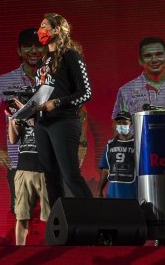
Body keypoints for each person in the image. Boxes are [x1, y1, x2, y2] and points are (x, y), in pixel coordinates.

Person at [32, 14, 93, 208]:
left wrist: (57, 103)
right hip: (42, 124)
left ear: (57, 29)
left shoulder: (71, 55)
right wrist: (27, 110)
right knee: (51, 178)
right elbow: (40, 93)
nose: (40, 31)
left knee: (70, 175)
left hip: (63, 122)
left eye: (44, 26)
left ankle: (94, 217)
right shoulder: (42, 61)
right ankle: (59, 219)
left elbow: (86, 93)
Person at [0, 29, 46, 216]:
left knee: (55, 213)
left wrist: (81, 144)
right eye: (27, 46)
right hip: (19, 161)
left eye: (38, 46)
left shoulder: (58, 79)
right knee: (22, 215)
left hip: (52, 159)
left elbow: (79, 111)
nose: (33, 51)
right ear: (19, 50)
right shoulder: (3, 81)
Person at [7, 108, 48, 246]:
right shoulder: (22, 117)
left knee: (50, 215)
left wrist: (25, 112)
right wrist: (12, 118)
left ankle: (53, 249)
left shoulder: (46, 112)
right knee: (21, 214)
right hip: (23, 169)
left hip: (44, 171)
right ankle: (20, 250)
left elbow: (41, 130)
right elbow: (13, 139)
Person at [98, 112, 137, 199]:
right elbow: (106, 170)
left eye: (124, 122)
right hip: (113, 194)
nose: (121, 125)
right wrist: (99, 191)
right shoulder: (110, 145)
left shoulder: (138, 144)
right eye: (119, 122)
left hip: (132, 193)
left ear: (131, 123)